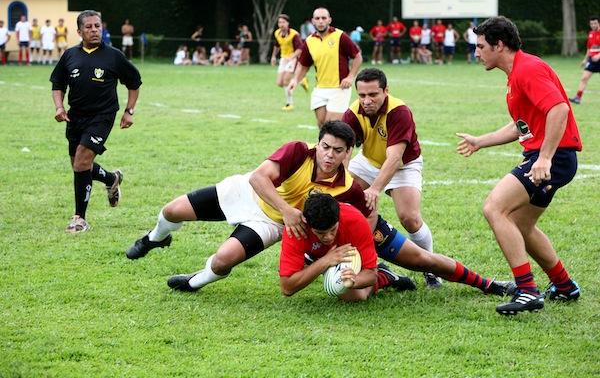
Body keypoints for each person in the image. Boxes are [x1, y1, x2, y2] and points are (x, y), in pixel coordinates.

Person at [125, 121, 514, 300]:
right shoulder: (298, 151)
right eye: (325, 147)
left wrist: (366, 252)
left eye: (338, 150)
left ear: (349, 154)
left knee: (224, 260)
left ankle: (194, 282)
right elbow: (260, 179)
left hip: (275, 226)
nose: (329, 155)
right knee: (172, 210)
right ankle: (153, 239)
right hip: (246, 195)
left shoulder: (350, 189)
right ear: (318, 144)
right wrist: (289, 211)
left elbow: (362, 221)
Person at [456, 16, 582, 315]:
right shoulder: (516, 73)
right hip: (549, 156)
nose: (477, 53)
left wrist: (545, 157)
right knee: (522, 225)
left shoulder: (528, 69)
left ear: (499, 45)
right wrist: (480, 141)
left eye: (481, 46)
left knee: (494, 208)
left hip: (555, 157)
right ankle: (564, 286)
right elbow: (521, 125)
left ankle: (527, 291)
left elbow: (559, 109)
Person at [342, 68, 441, 288]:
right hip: (368, 161)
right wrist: (342, 182)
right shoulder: (353, 113)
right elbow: (344, 151)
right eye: (362, 95)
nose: (366, 101)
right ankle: (358, 262)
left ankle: (431, 268)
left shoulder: (399, 111)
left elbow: (394, 158)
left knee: (410, 218)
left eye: (373, 95)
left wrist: (375, 189)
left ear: (386, 91)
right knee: (341, 202)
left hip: (403, 165)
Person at [50, 10, 142, 233]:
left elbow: (134, 83)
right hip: (76, 116)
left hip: (103, 116)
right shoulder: (70, 55)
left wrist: (129, 111)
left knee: (81, 162)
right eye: (89, 27)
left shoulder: (114, 56)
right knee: (79, 164)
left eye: (97, 26)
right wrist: (60, 107)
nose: (94, 30)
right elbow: (57, 84)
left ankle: (79, 218)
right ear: (79, 31)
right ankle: (111, 179)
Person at [280, 193, 414, 301]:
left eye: (333, 230)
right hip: (319, 255)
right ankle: (314, 260)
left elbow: (370, 274)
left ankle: (384, 275)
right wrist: (325, 261)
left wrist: (354, 280)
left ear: (339, 218)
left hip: (346, 252)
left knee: (355, 296)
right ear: (308, 224)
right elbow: (287, 288)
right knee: (299, 271)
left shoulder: (354, 220)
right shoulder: (296, 228)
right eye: (320, 233)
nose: (328, 237)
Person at [288, 7, 363, 128]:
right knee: (322, 125)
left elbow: (358, 56)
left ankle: (350, 141)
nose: (321, 21)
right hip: (320, 90)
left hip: (339, 89)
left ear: (329, 20)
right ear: (313, 21)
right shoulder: (309, 41)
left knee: (332, 126)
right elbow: (303, 65)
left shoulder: (340, 36)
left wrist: (350, 77)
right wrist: (295, 80)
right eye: (317, 18)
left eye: (324, 18)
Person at [271, 14, 307, 111]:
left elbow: (300, 49)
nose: (281, 24)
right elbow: (277, 45)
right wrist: (273, 56)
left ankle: (289, 104)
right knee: (279, 83)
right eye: (279, 22)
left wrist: (292, 56)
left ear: (287, 23)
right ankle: (301, 80)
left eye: (283, 22)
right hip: (283, 59)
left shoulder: (294, 35)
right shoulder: (277, 33)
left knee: (286, 81)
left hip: (293, 59)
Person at [569, 15, 600, 104]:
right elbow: (589, 48)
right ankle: (578, 98)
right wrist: (585, 59)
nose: (593, 25)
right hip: (591, 60)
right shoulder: (591, 33)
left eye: (595, 23)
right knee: (584, 78)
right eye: (591, 24)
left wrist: (599, 56)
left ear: (599, 23)